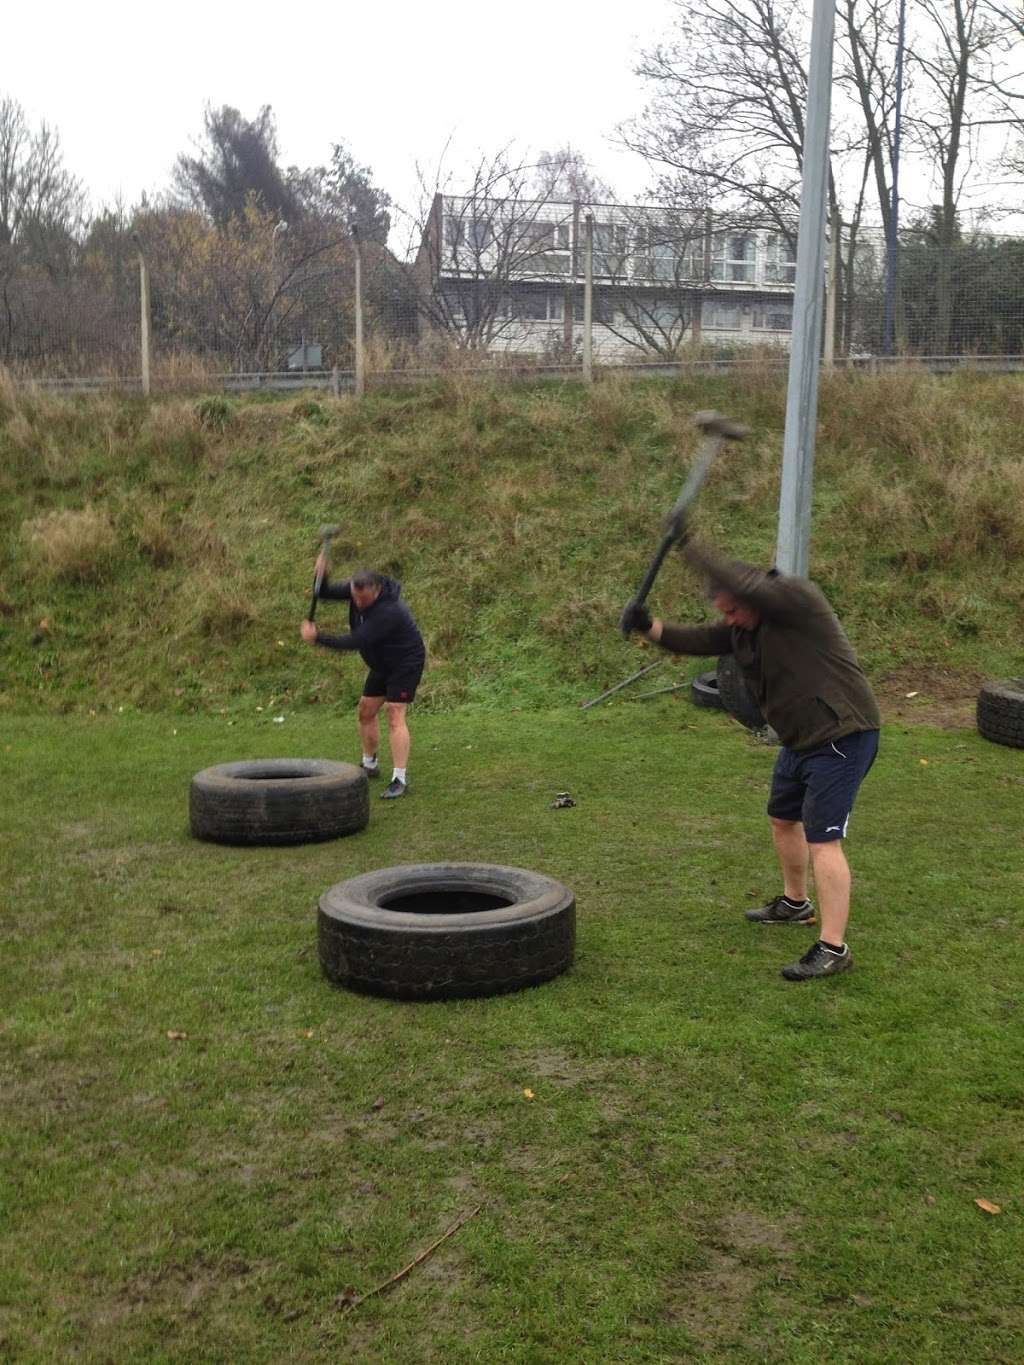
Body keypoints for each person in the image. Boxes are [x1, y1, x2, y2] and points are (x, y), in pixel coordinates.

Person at [620, 536, 880, 981]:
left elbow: (743, 585)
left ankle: (834, 948)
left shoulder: (796, 601)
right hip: (800, 740)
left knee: (824, 840)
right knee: (782, 818)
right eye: (724, 613)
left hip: (841, 734)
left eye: (733, 609)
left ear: (749, 594)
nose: (730, 619)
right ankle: (795, 904)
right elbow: (698, 640)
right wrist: (650, 627)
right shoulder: (744, 627)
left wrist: (688, 546)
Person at [301, 564, 426, 800]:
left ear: (376, 591)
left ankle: (399, 779)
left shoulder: (389, 611)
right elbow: (323, 592)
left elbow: (355, 641)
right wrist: (321, 575)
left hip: (404, 662)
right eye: (355, 597)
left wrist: (318, 638)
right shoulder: (356, 590)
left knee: (394, 713)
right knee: (366, 711)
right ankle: (369, 765)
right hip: (381, 662)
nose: (358, 602)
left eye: (364, 599)